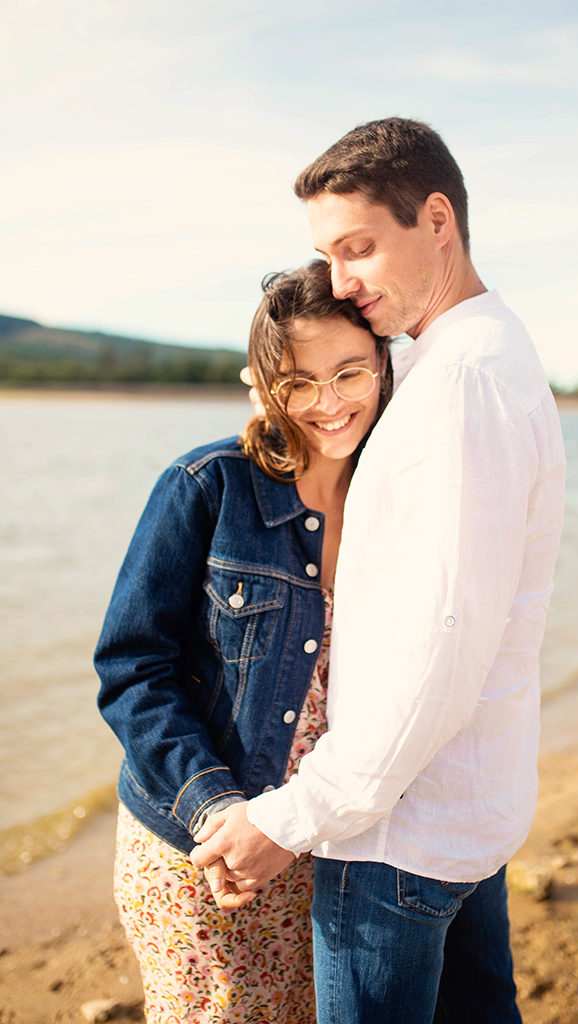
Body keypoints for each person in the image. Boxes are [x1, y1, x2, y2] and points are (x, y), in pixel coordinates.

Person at [191, 117, 566, 1024]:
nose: (341, 281)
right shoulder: (462, 358)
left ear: (437, 219)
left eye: (358, 248)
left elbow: (438, 647)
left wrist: (288, 819)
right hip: (458, 812)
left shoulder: (464, 383)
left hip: (398, 840)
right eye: (326, 254)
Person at [94, 260, 392, 1023]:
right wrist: (217, 811)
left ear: (384, 367)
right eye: (298, 382)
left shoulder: (397, 496)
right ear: (263, 384)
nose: (329, 405)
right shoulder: (206, 484)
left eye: (349, 373)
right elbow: (132, 668)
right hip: (202, 847)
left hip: (324, 849)